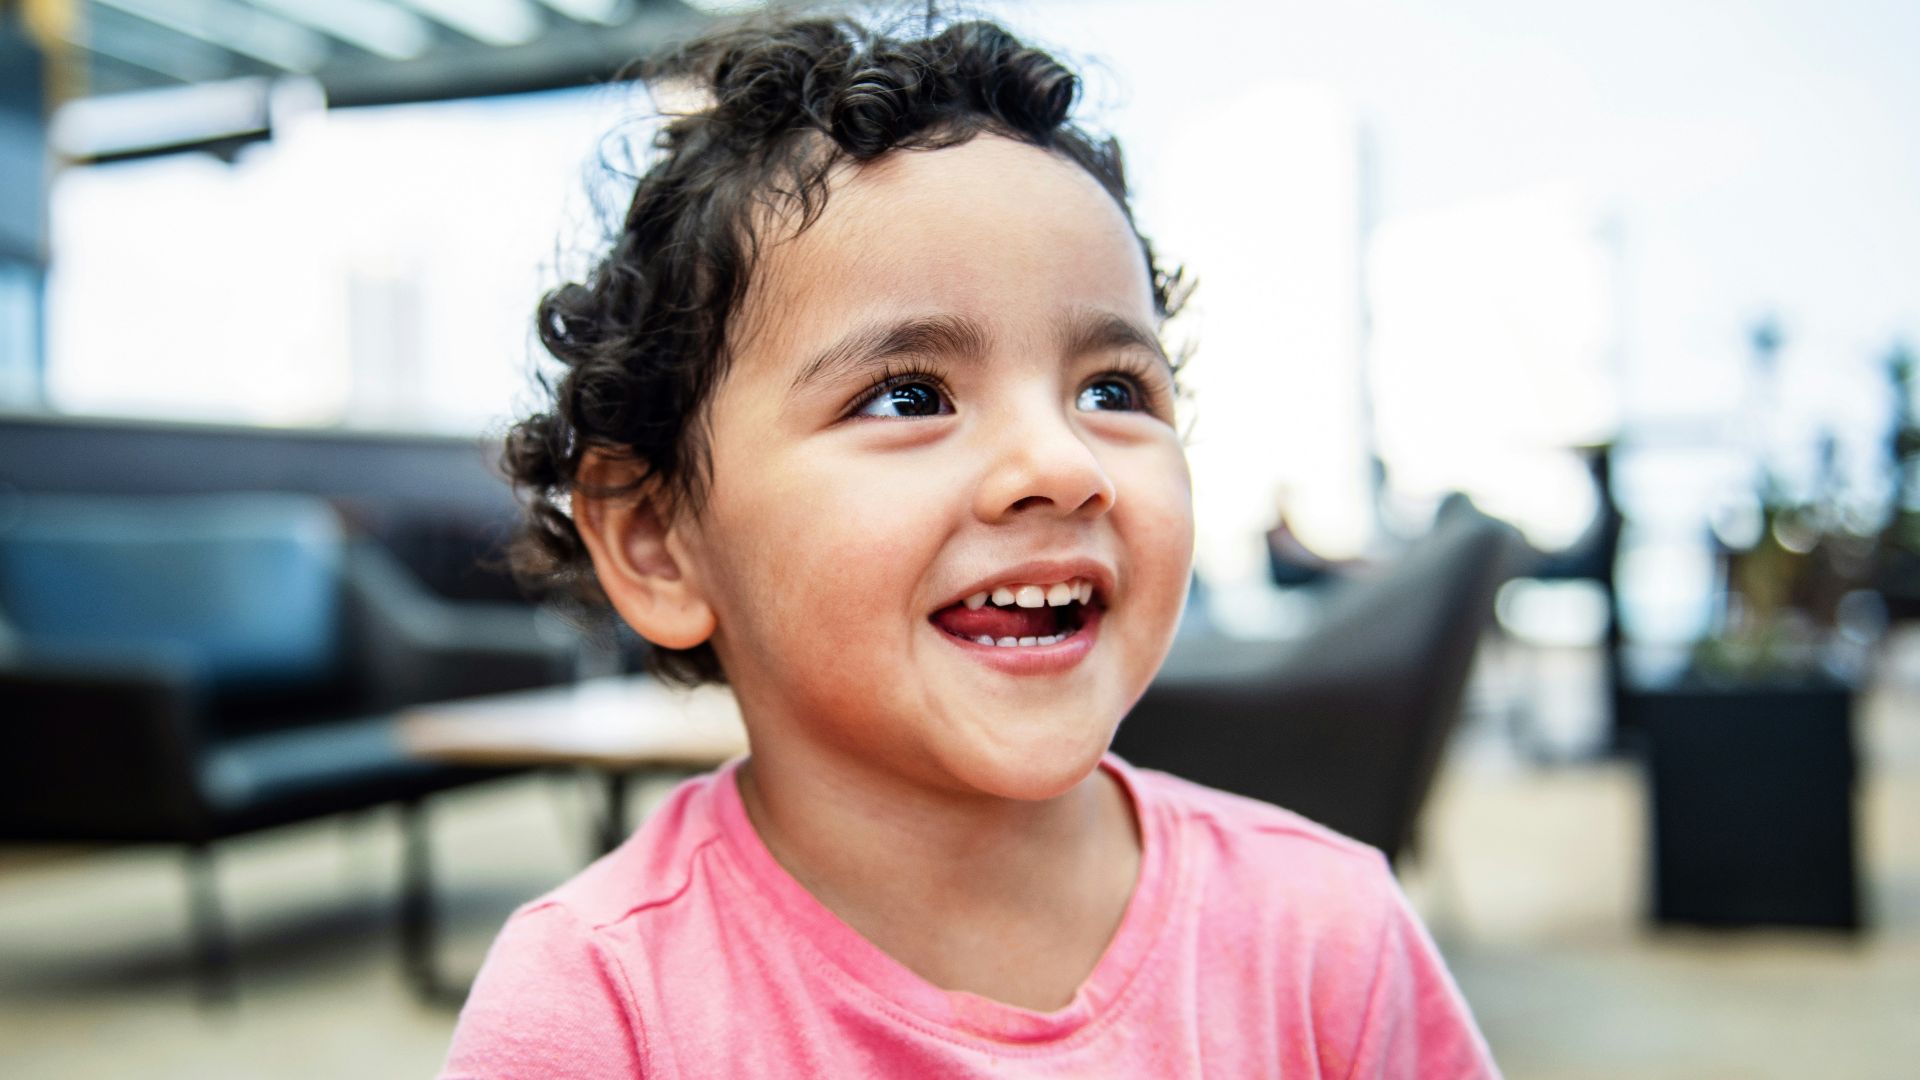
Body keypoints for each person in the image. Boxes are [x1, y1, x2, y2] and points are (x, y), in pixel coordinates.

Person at [442, 9, 1499, 1077]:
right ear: (659, 540)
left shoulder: (1329, 933)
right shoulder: (596, 1007)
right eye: (909, 395)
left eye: (1111, 388)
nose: (1063, 462)